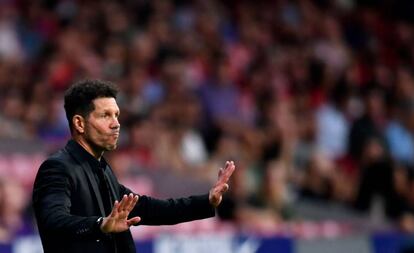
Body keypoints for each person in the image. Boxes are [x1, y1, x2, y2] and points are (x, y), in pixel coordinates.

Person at [32, 79, 235, 253]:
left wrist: (207, 201)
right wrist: (100, 224)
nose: (116, 124)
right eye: (105, 116)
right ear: (79, 124)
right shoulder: (57, 168)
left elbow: (147, 208)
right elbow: (54, 221)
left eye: (117, 115)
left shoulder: (102, 169)